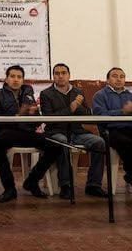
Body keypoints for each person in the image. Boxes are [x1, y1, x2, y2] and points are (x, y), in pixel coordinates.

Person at [0, 65, 62, 203]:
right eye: (12, 76)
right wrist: (18, 115)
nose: (16, 80)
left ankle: (32, 181)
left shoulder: (28, 94)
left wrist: (33, 114)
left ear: (23, 80)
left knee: (55, 146)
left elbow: (37, 122)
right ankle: (9, 188)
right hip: (8, 133)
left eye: (19, 77)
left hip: (27, 133)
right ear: (6, 79)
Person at [40, 63, 107, 199]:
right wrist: (70, 109)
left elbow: (87, 115)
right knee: (62, 142)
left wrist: (78, 106)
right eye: (57, 73)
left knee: (99, 142)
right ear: (53, 76)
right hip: (56, 132)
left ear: (69, 75)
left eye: (63, 73)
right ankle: (66, 185)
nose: (60, 76)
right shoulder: (46, 94)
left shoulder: (78, 91)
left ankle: (93, 185)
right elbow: (49, 119)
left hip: (77, 132)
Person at [92, 67, 132, 195]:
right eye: (115, 76)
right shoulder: (100, 95)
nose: (119, 79)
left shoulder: (130, 95)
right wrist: (123, 111)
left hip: (130, 129)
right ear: (107, 80)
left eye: (122, 76)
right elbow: (101, 116)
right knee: (125, 143)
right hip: (111, 130)